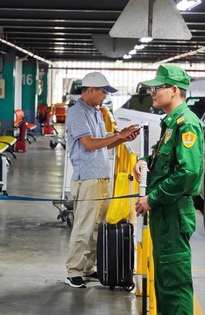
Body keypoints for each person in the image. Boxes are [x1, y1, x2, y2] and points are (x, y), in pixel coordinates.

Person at [133, 65, 203, 315]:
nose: (152, 92)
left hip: (173, 211)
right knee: (163, 277)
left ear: (174, 90)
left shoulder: (187, 125)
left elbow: (188, 172)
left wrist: (152, 198)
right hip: (165, 211)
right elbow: (160, 158)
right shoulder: (171, 124)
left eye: (157, 87)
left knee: (175, 281)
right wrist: (142, 160)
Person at [64, 72, 140, 288]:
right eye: (103, 91)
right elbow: (88, 144)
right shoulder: (77, 112)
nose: (105, 96)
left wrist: (122, 137)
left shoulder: (96, 112)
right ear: (90, 90)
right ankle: (74, 271)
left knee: (98, 227)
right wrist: (118, 135)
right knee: (84, 226)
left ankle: (88, 268)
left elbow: (103, 143)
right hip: (87, 178)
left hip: (101, 177)